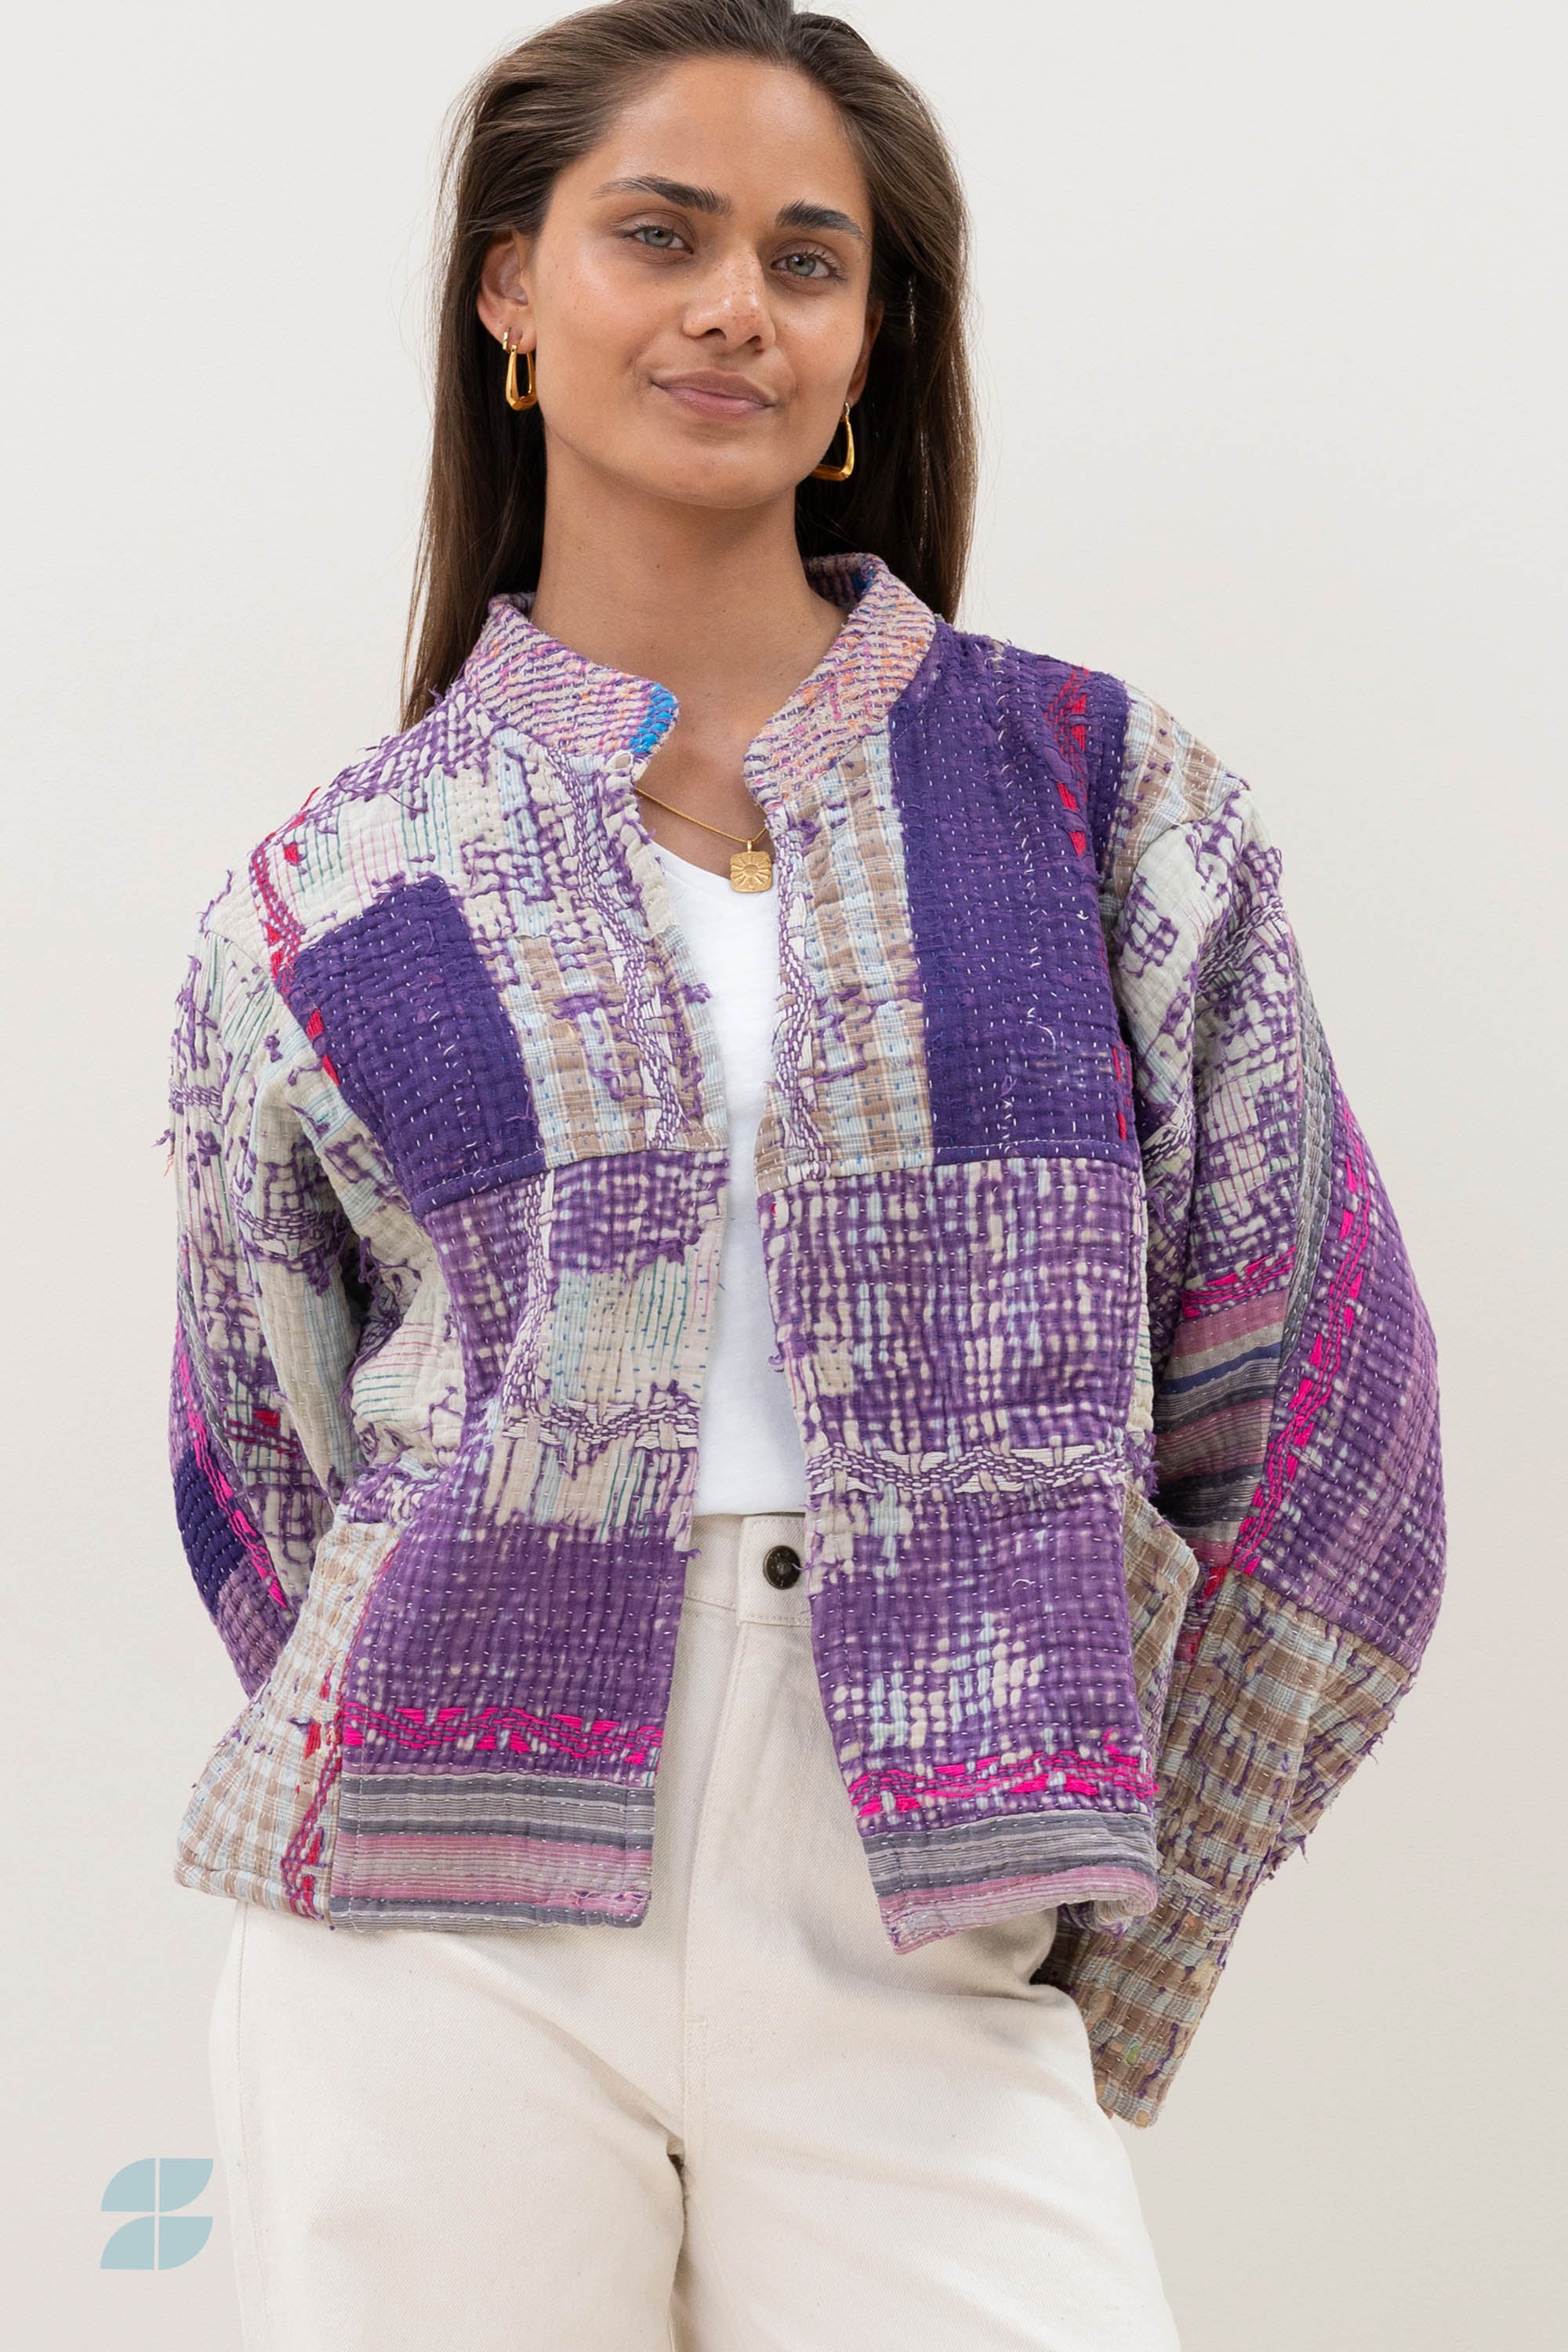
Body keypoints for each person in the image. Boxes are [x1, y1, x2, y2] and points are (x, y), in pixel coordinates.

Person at [161, 3, 1446, 2346]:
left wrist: (1107, 1883)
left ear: (867, 342)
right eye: (659, 235)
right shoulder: (338, 887)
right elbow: (262, 1446)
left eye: (807, 258)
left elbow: (1324, 1400)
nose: (735, 304)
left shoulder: (1097, 798)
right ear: (512, 292)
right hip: (427, 1915)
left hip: (931, 1878)